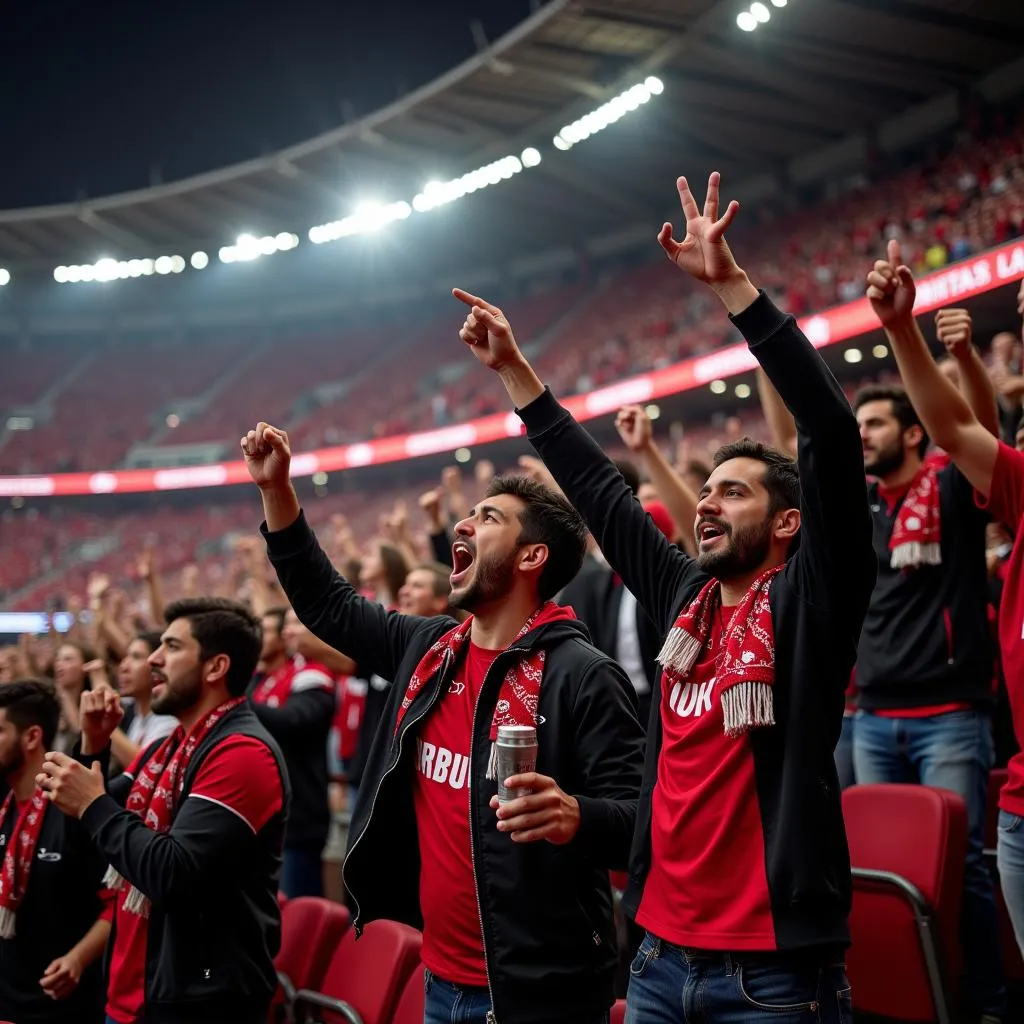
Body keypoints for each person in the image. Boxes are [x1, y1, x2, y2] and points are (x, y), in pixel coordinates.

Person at [453, 170, 874, 1022]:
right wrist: (518, 373)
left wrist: (734, 290)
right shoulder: (685, 596)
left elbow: (829, 429)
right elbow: (602, 493)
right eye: (705, 490)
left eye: (735, 493)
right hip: (653, 955)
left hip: (772, 974)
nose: (708, 502)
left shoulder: (813, 600)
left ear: (790, 523)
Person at [243, 424, 645, 1024]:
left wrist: (575, 815)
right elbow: (326, 603)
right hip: (439, 981)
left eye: (487, 519)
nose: (462, 525)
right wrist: (277, 490)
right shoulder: (427, 648)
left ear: (532, 556)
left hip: (542, 994)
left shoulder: (583, 675)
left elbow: (640, 821)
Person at [863, 240, 1024, 976]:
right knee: (888, 869)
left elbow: (975, 437)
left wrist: (958, 360)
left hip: (952, 713)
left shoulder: (951, 488)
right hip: (874, 714)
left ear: (911, 433)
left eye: (876, 424)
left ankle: (985, 994)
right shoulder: (867, 511)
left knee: (961, 867)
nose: (863, 434)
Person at [36, 598, 290, 1024]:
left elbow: (172, 872)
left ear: (215, 668)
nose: (154, 659)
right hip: (134, 987)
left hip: (196, 1001)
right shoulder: (166, 749)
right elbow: (81, 830)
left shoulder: (243, 755)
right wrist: (93, 747)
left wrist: (93, 803)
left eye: (170, 647)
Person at [0, 680, 110, 1024]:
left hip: (59, 1007)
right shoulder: (3, 806)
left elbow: (116, 904)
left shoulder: (74, 811)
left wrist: (78, 958)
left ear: (31, 737)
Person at [248, 607, 335, 898]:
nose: (259, 637)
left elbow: (295, 722)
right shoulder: (261, 679)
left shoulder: (311, 674)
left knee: (300, 915)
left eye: (268, 630)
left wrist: (234, 702)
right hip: (266, 816)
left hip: (299, 816)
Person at [110, 632, 176, 769]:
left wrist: (105, 727)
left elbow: (147, 769)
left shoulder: (171, 720)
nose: (123, 666)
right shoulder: (137, 715)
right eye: (125, 657)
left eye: (136, 657)